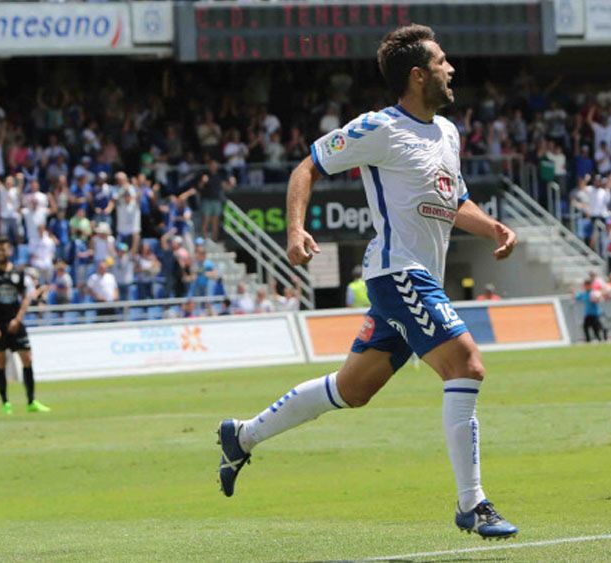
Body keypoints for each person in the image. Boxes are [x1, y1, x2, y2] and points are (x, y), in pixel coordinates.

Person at [216, 24, 519, 539]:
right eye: (443, 61)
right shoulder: (378, 128)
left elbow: (452, 199)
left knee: (351, 389)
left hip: (421, 279)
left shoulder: (448, 133)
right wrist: (294, 230)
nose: (452, 69)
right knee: (466, 362)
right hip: (398, 272)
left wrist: (490, 226)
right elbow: (305, 167)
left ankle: (242, 436)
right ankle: (474, 504)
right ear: (418, 74)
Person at [0, 237, 50, 414]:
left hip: (15, 323)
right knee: (0, 362)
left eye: (3, 249)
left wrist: (17, 319)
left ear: (10, 251)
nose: (0, 253)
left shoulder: (19, 273)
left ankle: (31, 401)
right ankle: (5, 404)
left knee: (27, 359)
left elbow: (26, 298)